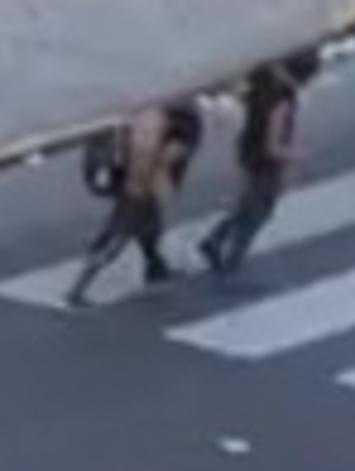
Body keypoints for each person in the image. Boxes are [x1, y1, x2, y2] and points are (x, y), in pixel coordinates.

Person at [65, 99, 200, 307]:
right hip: (139, 194)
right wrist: (164, 188)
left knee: (151, 231)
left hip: (130, 188)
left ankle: (156, 268)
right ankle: (78, 289)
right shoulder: (173, 131)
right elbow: (160, 168)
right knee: (115, 242)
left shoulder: (139, 116)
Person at [203, 55, 316, 276]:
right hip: (264, 161)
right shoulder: (283, 100)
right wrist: (296, 156)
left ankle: (215, 240)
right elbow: (273, 145)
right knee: (259, 212)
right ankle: (232, 258)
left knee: (248, 204)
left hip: (248, 148)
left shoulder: (262, 81)